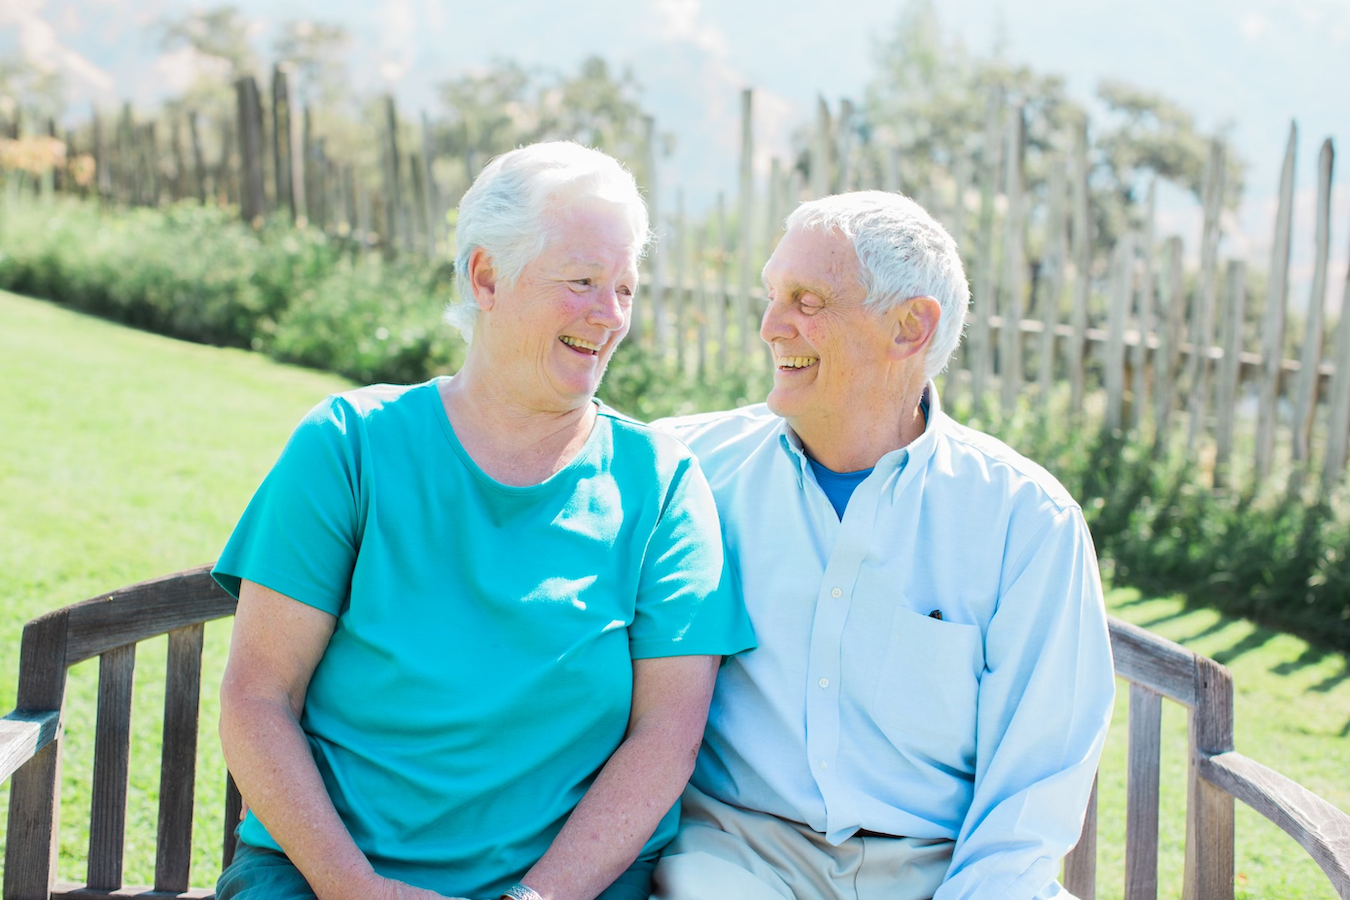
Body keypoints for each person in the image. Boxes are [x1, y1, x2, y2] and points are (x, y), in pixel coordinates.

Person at [211, 141, 755, 900]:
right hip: (323, 880)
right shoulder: (350, 445)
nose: (609, 316)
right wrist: (356, 889)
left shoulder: (661, 485)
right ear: (486, 277)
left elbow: (665, 737)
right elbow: (257, 697)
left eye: (626, 288)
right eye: (583, 281)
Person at [651, 190, 1115, 900]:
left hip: (943, 870)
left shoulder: (1026, 521)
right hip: (736, 857)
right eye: (772, 296)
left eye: (807, 300)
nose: (771, 326)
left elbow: (1032, 793)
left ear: (909, 327)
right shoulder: (687, 471)